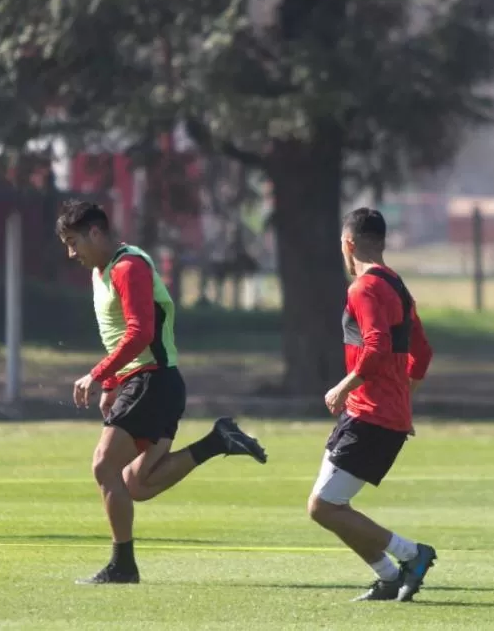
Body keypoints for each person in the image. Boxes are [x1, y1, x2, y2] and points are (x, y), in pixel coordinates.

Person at [56, 199, 268, 585]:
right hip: (152, 384)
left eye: (74, 242)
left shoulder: (128, 267)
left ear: (96, 233)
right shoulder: (102, 271)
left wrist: (99, 373)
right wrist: (112, 383)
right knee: (137, 484)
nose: (72, 253)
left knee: (104, 466)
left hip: (151, 381)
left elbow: (141, 333)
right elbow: (122, 334)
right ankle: (217, 441)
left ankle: (123, 566)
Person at [309, 207, 436, 602]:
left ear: (348, 244)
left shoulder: (363, 288)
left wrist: (343, 386)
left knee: (324, 508)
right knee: (332, 504)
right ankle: (387, 577)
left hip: (370, 415)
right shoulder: (397, 286)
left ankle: (411, 555)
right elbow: (423, 353)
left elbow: (378, 347)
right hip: (377, 414)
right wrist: (403, 402)